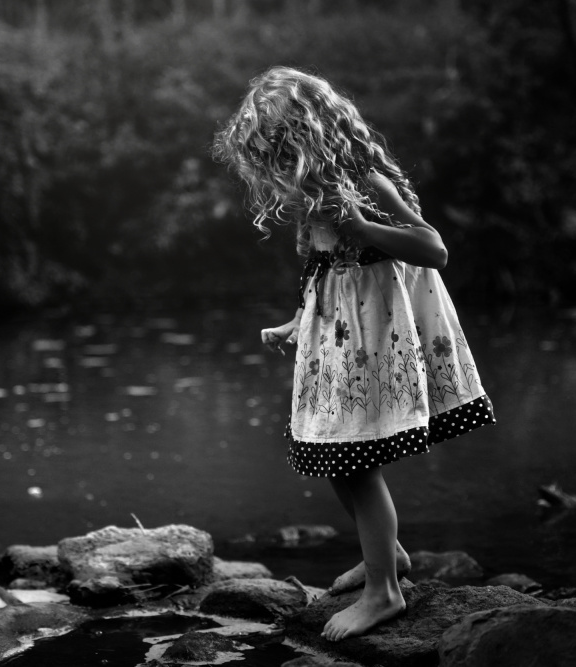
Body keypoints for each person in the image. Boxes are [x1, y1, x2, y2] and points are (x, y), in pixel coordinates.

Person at [212, 67, 495, 642]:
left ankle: (384, 593)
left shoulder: (363, 182)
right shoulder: (313, 194)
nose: (275, 171)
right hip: (339, 338)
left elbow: (433, 249)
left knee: (357, 466)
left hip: (375, 340)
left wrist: (363, 224)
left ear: (309, 138)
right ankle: (384, 556)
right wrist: (296, 322)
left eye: (279, 153)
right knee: (333, 456)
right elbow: (326, 268)